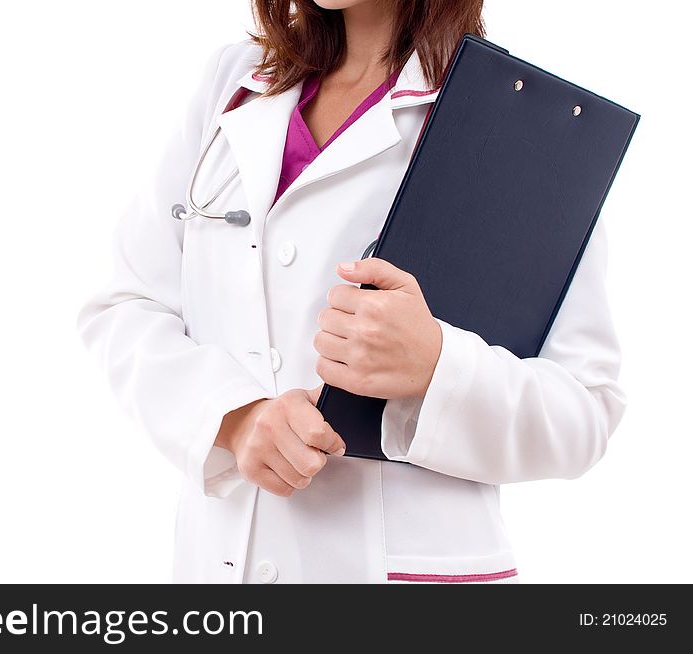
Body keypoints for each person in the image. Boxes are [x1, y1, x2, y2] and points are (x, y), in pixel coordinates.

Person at [77, 0, 626, 583]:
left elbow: (585, 411)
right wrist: (233, 419)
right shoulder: (232, 85)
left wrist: (437, 366)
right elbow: (126, 305)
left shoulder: (517, 126)